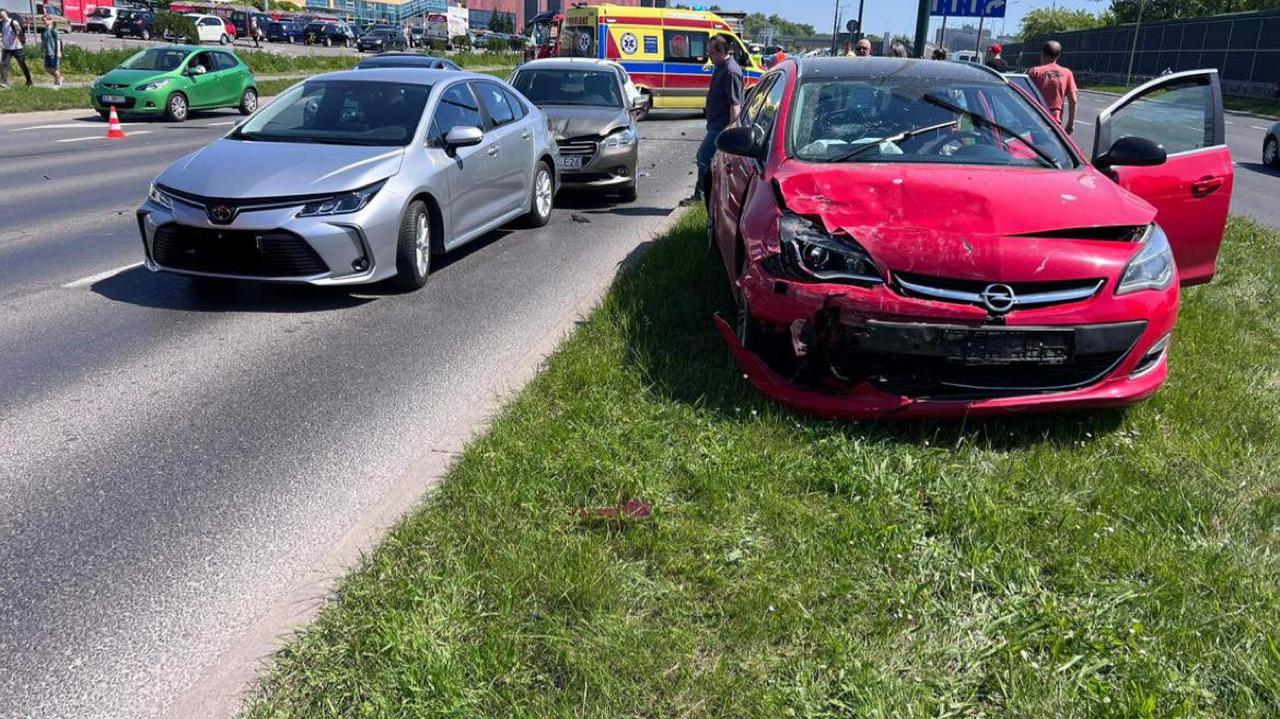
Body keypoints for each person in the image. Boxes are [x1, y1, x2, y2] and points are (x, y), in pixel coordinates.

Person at [682, 34, 742, 206]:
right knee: (708, 160)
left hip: (722, 126)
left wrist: (731, 129)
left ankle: (700, 197)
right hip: (716, 124)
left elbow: (735, 104)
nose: (709, 57)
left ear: (721, 51)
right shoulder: (721, 67)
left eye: (711, 53)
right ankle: (706, 196)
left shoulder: (730, 71)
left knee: (703, 157)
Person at [1027, 40, 1078, 134]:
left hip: (1035, 119)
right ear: (1058, 56)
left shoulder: (1034, 72)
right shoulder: (1067, 73)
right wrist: (1071, 123)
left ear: (1042, 54)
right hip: (1055, 121)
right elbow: (1073, 100)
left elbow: (1023, 95)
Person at [1, 9, 33, 89]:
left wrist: (18, 33)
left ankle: (29, 81)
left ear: (6, 14)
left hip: (17, 48)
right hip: (7, 48)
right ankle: (4, 82)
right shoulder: (1, 23)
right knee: (4, 64)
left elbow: (20, 31)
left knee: (22, 64)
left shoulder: (13, 22)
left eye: (3, 15)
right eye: (1, 16)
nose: (2, 17)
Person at [40, 14, 60, 88]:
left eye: (47, 20)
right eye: (44, 20)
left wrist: (58, 52)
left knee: (55, 68)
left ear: (51, 21)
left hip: (53, 52)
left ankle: (58, 82)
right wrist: (41, 51)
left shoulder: (54, 30)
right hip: (46, 52)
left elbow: (58, 41)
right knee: (47, 69)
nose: (45, 21)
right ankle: (58, 78)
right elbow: (42, 42)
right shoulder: (43, 31)